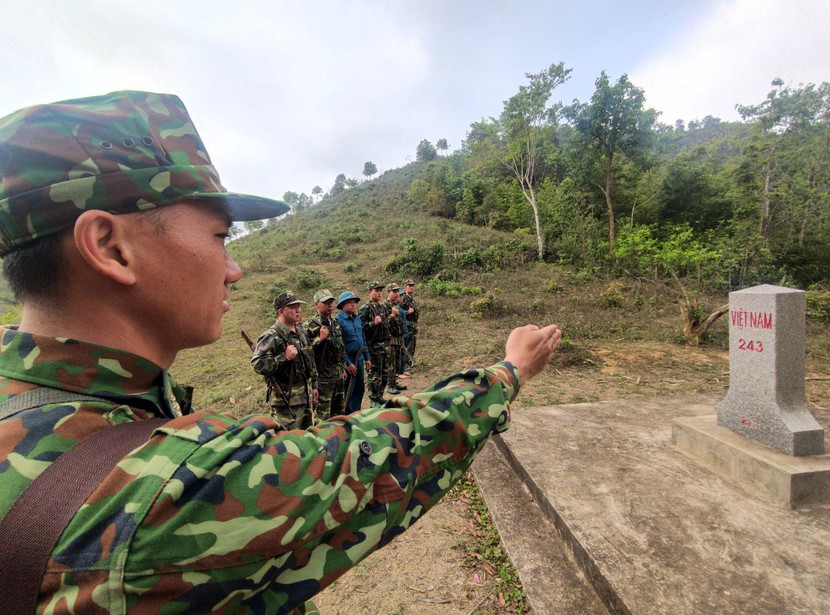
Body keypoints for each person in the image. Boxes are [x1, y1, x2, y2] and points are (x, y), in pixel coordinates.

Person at [0, 90, 563, 615]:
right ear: (110, 247)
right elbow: (376, 454)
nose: (234, 269)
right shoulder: (163, 490)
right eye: (220, 236)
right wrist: (509, 371)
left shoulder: (73, 411)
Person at [251, 291, 319, 429]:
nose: (298, 310)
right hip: (286, 403)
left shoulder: (301, 331)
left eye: (299, 306)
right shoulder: (271, 335)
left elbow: (310, 360)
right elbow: (257, 364)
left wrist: (314, 386)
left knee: (305, 437)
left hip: (305, 398)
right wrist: (284, 358)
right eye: (293, 307)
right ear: (281, 311)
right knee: (287, 440)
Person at [304, 289, 346, 422]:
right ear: (316, 304)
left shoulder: (335, 323)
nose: (330, 305)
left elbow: (340, 347)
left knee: (339, 413)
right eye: (326, 302)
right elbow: (305, 353)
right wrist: (319, 339)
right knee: (323, 417)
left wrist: (343, 367)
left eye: (331, 302)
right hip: (323, 378)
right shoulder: (309, 325)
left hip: (338, 375)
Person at [335, 290, 372, 414]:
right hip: (348, 360)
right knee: (348, 389)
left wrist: (367, 357)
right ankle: (348, 415)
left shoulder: (357, 319)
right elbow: (340, 346)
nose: (353, 305)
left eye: (354, 302)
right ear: (342, 305)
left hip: (359, 358)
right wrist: (348, 363)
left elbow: (363, 339)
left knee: (359, 388)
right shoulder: (338, 321)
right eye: (349, 302)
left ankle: (356, 413)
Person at [358, 280, 391, 407]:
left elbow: (386, 327)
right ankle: (373, 399)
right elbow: (360, 327)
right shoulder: (365, 308)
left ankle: (379, 396)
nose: (379, 293)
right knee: (375, 374)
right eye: (376, 291)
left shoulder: (382, 307)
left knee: (384, 374)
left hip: (383, 346)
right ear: (369, 292)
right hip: (373, 347)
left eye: (380, 291)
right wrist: (373, 323)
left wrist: (388, 344)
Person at [384, 282, 407, 394]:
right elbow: (383, 324)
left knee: (397, 363)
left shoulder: (396, 305)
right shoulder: (385, 306)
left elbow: (400, 324)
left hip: (398, 339)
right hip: (390, 340)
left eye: (398, 291)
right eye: (394, 291)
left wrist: (402, 341)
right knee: (391, 364)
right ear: (388, 292)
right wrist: (392, 315)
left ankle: (394, 382)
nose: (397, 294)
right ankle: (390, 385)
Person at [400, 279, 420, 369]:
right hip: (407, 324)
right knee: (406, 345)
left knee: (412, 344)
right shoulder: (404, 298)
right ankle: (405, 364)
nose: (411, 287)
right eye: (409, 286)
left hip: (413, 324)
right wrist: (407, 312)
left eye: (412, 286)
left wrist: (416, 325)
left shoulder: (411, 298)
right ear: (405, 287)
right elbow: (399, 311)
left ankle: (410, 362)